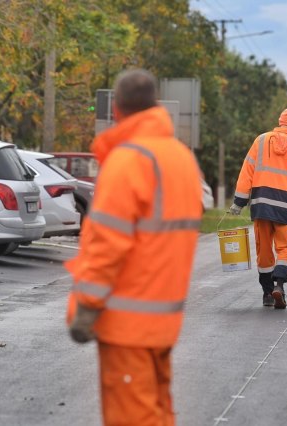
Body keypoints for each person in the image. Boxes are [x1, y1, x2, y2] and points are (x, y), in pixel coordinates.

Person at [65, 69, 203, 426]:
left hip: (126, 322)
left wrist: (86, 305)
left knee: (132, 417)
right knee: (157, 411)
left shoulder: (127, 162)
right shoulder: (182, 159)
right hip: (164, 317)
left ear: (117, 111)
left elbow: (106, 244)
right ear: (156, 105)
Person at [229, 108, 287, 309]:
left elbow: (246, 172)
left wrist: (238, 202)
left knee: (264, 249)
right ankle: (279, 285)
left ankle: (267, 293)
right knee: (285, 248)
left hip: (261, 204)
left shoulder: (260, 141)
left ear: (280, 121)